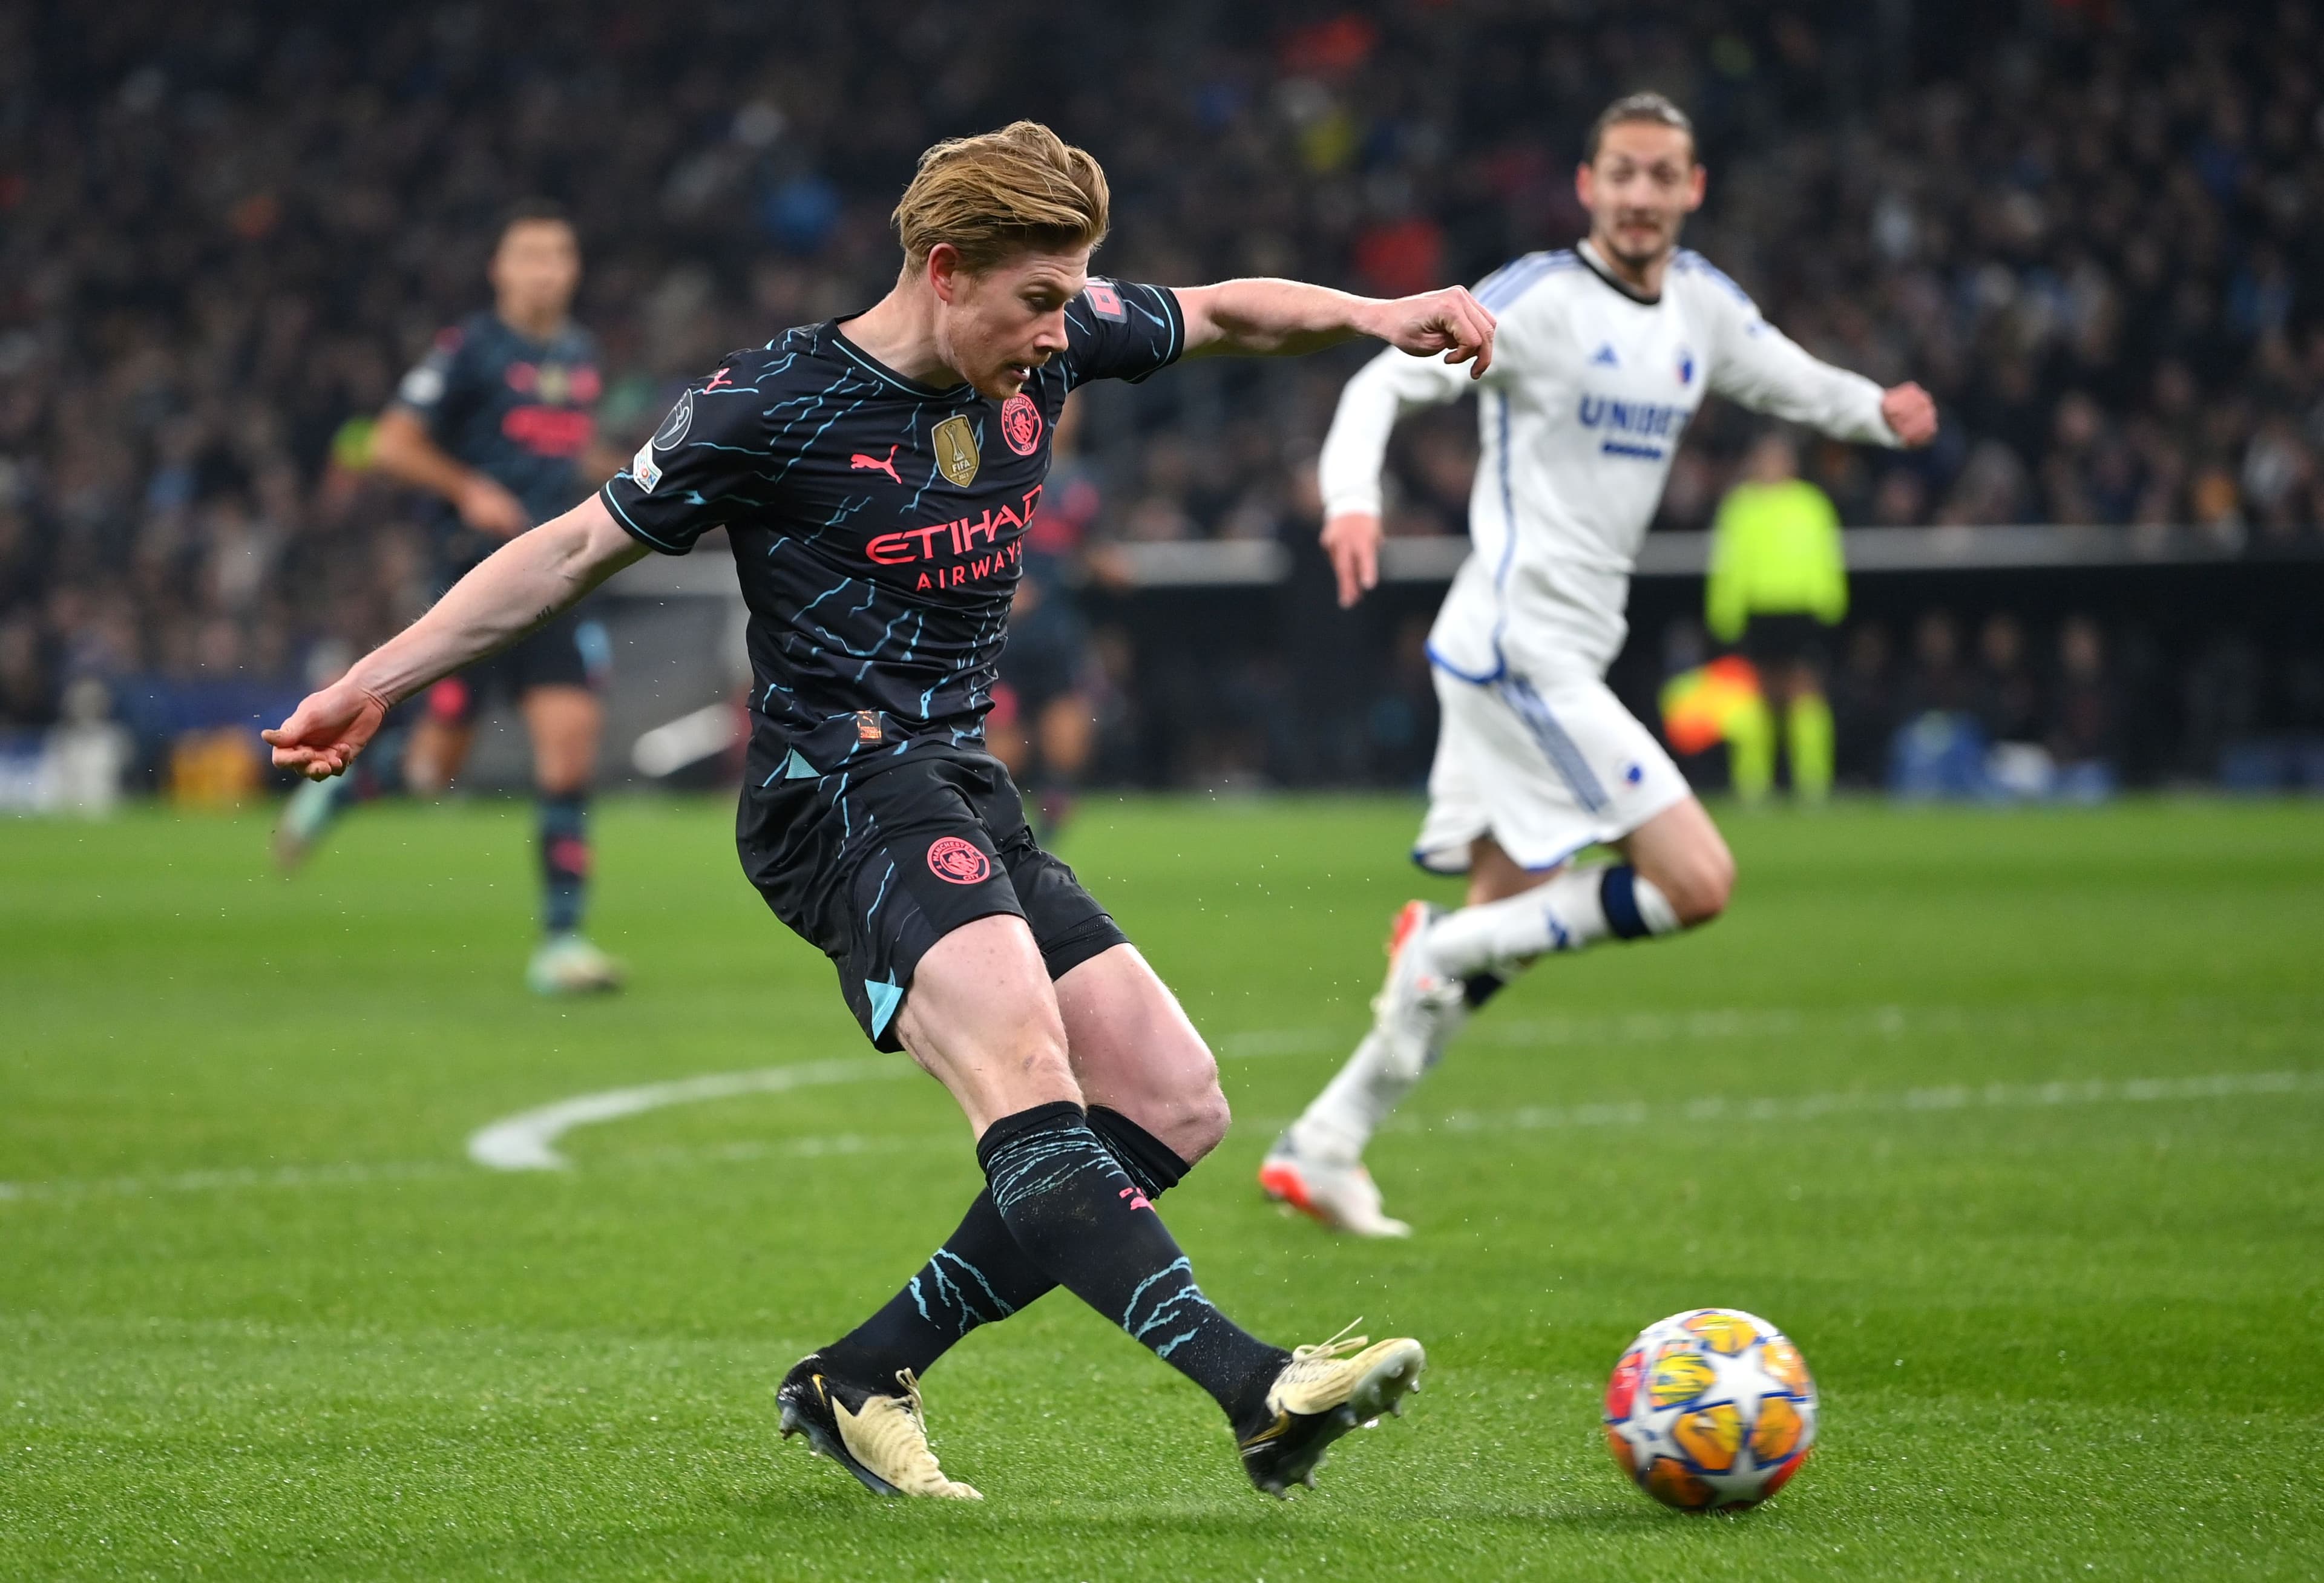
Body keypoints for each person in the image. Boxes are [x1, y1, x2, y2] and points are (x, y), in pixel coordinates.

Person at [264, 122, 1497, 1499]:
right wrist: (372, 681)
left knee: (1170, 1097)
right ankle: (1252, 1383)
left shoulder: (1053, 329)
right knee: (1030, 1073)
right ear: (942, 267)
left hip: (959, 778)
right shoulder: (771, 403)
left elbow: (1219, 313)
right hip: (834, 791)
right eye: (1035, 301)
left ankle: (860, 1373)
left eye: (1072, 296)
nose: (1059, 331)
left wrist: (1374, 314)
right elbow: (570, 549)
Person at [1260, 92, 1938, 1237]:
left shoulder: (1704, 309)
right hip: (1522, 650)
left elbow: (1788, 378)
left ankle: (1326, 1142)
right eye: (1619, 173)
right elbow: (1382, 379)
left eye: (1660, 175)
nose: (1638, 195)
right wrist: (1352, 498)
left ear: (1693, 188)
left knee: (1509, 919)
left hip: (1544, 649)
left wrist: (1879, 412)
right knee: (1695, 882)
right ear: (1586, 185)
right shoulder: (1537, 301)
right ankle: (1440, 947)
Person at [272, 200, 626, 996]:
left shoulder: (580, 354)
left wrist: (632, 468)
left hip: (563, 580)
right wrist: (468, 488)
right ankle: (341, 795)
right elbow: (391, 443)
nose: (545, 268)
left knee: (569, 752)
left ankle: (562, 943)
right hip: (475, 580)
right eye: (529, 254)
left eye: (559, 254)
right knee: (435, 770)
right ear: (500, 271)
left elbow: (570, 451)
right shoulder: (469, 351)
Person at [1704, 430, 1848, 803]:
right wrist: (1724, 610)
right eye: (1765, 458)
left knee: (1805, 693)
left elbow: (1826, 557)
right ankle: (1753, 785)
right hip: (1756, 611)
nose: (1772, 466)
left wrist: (1830, 602)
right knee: (1754, 697)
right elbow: (1727, 563)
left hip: (1801, 609)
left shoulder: (1811, 504)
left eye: (1779, 458)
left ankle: (1813, 784)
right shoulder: (1740, 507)